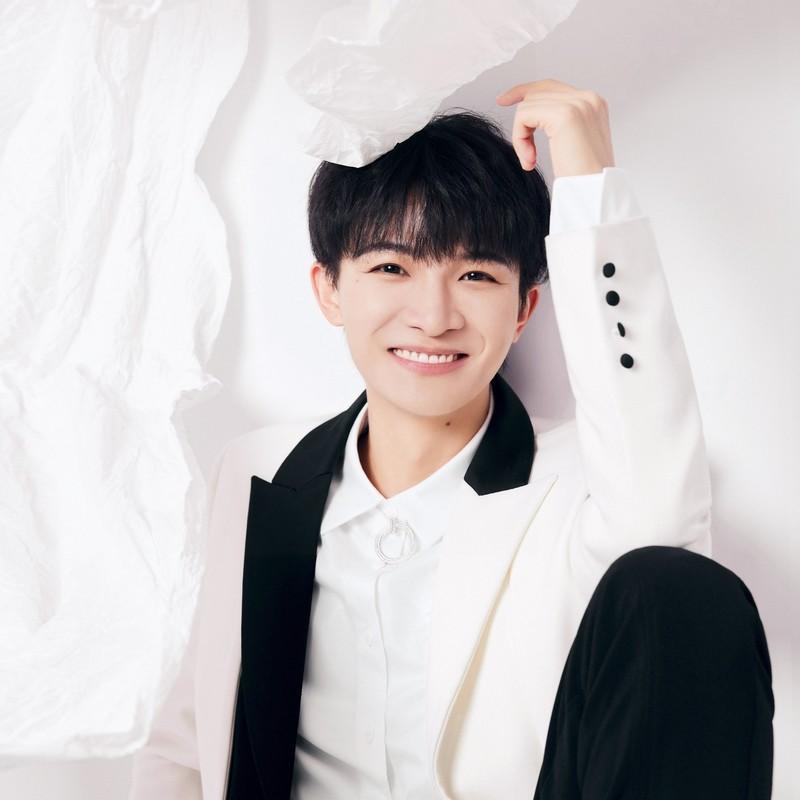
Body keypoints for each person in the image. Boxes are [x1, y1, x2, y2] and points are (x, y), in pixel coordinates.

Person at [128, 79, 774, 800]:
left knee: (683, 590)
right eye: (391, 267)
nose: (434, 317)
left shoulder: (585, 483)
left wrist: (592, 189)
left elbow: (667, 551)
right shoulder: (256, 471)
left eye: (474, 274)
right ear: (329, 288)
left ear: (524, 307)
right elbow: (189, 747)